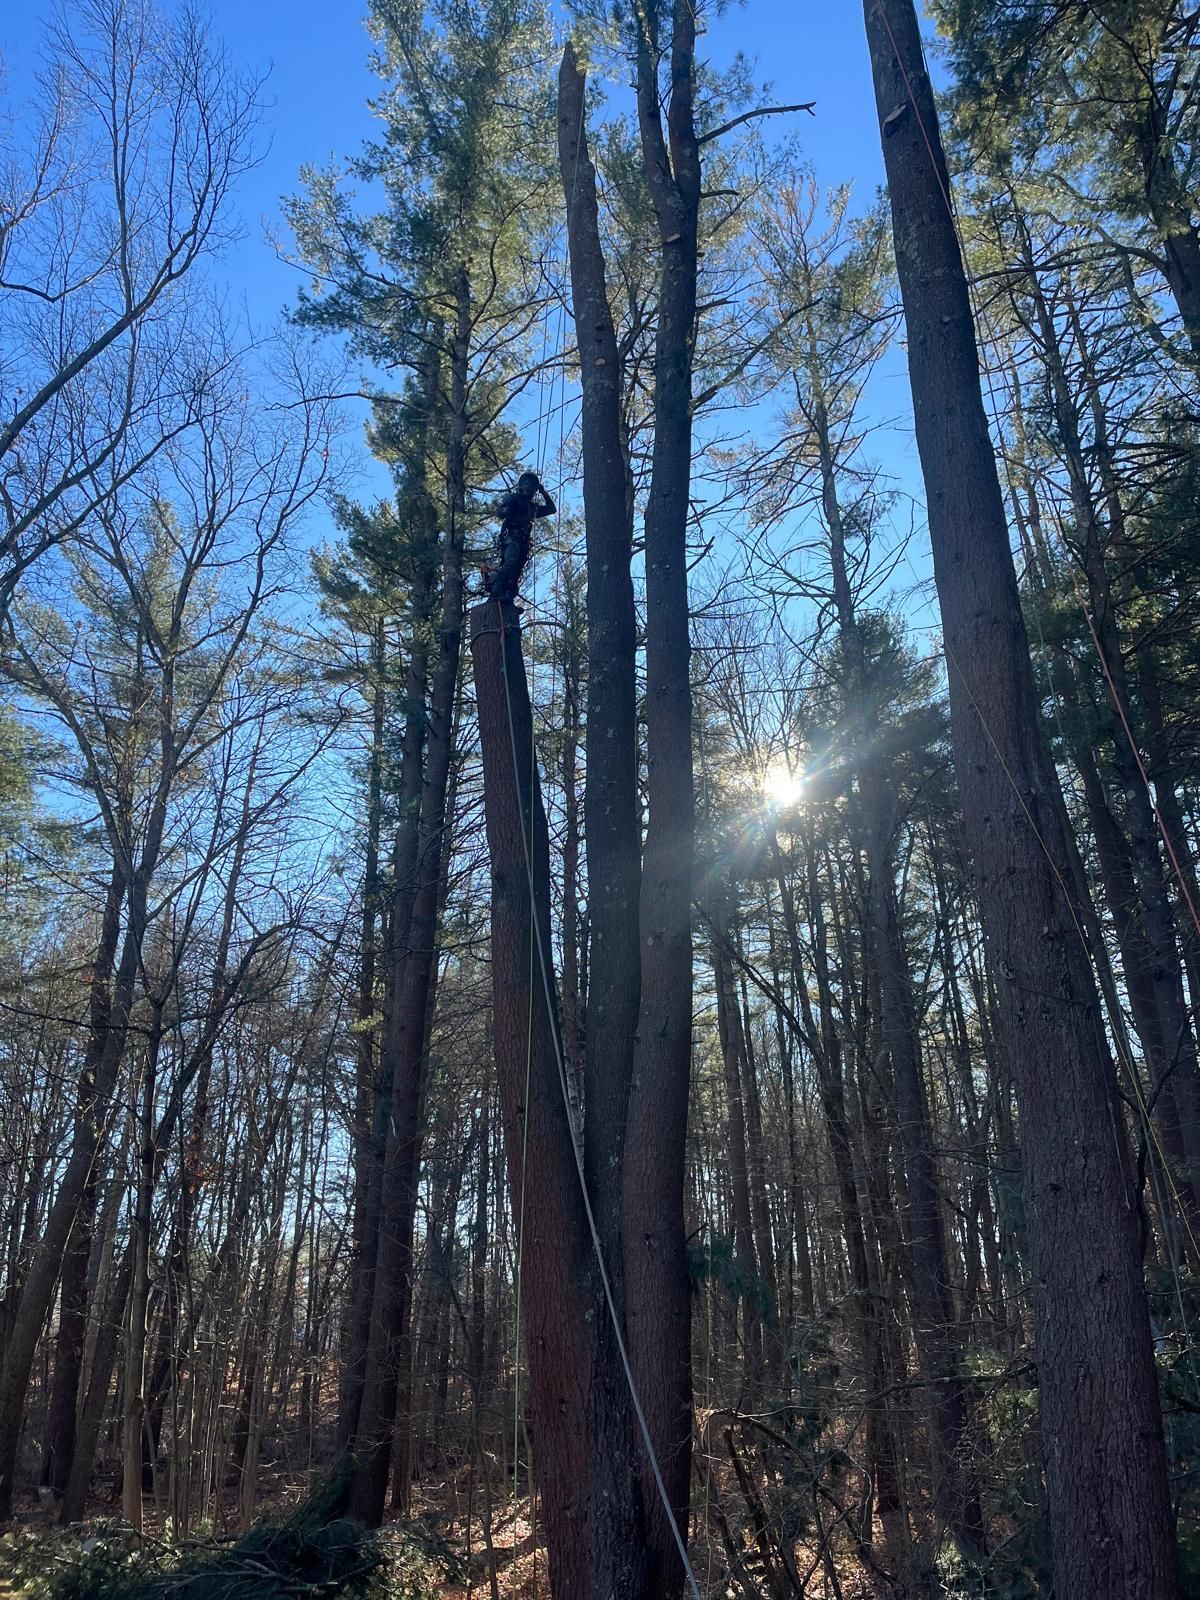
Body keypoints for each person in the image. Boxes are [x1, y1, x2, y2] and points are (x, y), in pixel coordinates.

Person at [484, 471, 555, 603]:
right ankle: (497, 590)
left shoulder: (532, 507)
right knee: (510, 562)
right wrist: (505, 511)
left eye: (533, 487)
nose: (529, 489)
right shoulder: (513, 498)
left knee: (517, 568)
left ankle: (509, 595)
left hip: (523, 540)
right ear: (521, 485)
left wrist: (543, 492)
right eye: (527, 484)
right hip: (511, 537)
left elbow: (551, 509)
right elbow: (500, 512)